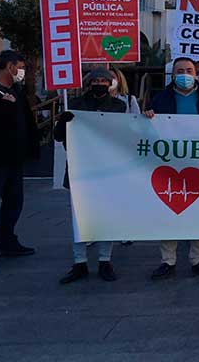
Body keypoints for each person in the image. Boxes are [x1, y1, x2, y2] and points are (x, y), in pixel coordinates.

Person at [144, 57, 199, 280]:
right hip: (169, 163)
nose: (185, 74)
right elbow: (148, 130)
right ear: (173, 74)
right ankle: (167, 261)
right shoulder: (159, 99)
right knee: (169, 209)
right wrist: (148, 117)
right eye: (180, 70)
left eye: (189, 70)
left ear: (196, 72)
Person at [54, 69, 126, 283]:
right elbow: (59, 137)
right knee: (79, 217)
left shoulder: (118, 106)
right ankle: (79, 262)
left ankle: (105, 260)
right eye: (96, 80)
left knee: (106, 216)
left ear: (110, 83)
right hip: (80, 166)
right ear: (89, 82)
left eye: (104, 80)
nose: (100, 83)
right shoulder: (74, 105)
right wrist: (63, 121)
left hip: (107, 167)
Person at [0, 51, 39, 268]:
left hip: (15, 158)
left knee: (14, 202)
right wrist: (0, 107)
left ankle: (7, 241)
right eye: (20, 66)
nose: (22, 72)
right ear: (10, 67)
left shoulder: (16, 90)